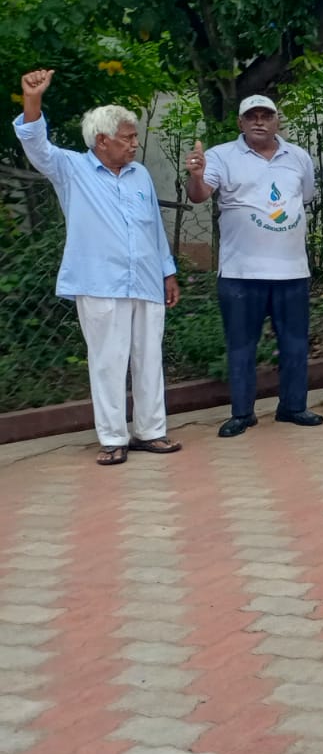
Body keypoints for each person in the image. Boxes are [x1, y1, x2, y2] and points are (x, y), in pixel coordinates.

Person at [13, 69, 181, 465]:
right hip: (99, 282)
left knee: (149, 358)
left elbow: (154, 227)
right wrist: (32, 100)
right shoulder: (70, 168)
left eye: (135, 137)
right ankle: (113, 438)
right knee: (107, 361)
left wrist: (168, 271)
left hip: (146, 280)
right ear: (102, 140)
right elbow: (36, 144)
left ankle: (151, 431)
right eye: (128, 138)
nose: (135, 144)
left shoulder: (140, 175)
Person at [185, 95, 323, 437]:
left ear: (277, 120)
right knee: (241, 346)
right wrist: (197, 176)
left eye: (266, 115)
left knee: (295, 344)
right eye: (251, 116)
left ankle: (293, 406)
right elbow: (199, 195)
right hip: (240, 272)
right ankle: (242, 413)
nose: (259, 121)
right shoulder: (220, 156)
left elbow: (305, 197)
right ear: (240, 123)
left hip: (292, 270)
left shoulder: (299, 157)